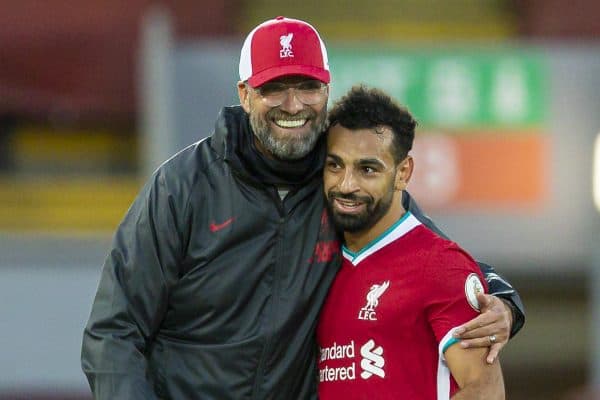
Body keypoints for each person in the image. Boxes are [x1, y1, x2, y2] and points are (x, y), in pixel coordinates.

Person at [81, 16, 522, 399]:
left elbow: (429, 254)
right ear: (246, 93)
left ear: (327, 89)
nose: (293, 105)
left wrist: (502, 299)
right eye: (275, 87)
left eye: (307, 87)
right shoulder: (181, 187)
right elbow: (114, 331)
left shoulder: (344, 184)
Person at [317, 86, 505, 399]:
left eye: (367, 169)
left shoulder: (441, 265)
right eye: (335, 165)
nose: (346, 184)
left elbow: (486, 391)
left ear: (403, 172)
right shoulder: (318, 265)